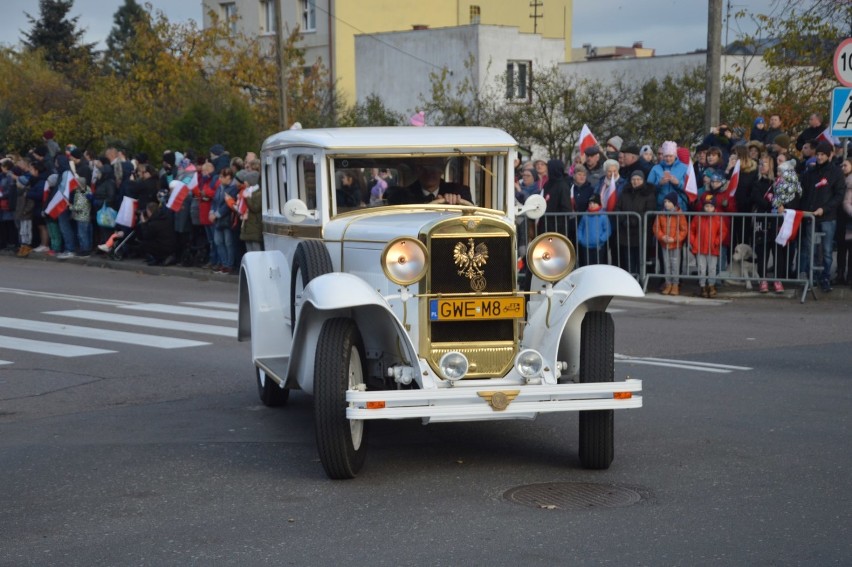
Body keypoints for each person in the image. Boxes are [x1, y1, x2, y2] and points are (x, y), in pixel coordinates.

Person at [799, 140, 846, 291]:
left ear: (830, 155)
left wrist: (824, 209)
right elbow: (804, 193)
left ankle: (825, 276)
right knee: (810, 248)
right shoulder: (810, 172)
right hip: (811, 216)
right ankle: (811, 277)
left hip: (828, 217)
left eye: (822, 155)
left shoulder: (836, 172)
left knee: (826, 250)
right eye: (818, 154)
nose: (819, 157)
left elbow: (839, 195)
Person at [749, 155, 785, 293]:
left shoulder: (777, 182)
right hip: (761, 221)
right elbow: (757, 198)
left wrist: (777, 206)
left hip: (775, 221)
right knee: (762, 251)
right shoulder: (756, 182)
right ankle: (762, 279)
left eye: (764, 163)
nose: (762, 165)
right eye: (760, 163)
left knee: (778, 252)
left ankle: (778, 280)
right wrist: (772, 205)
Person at [615, 169, 656, 275]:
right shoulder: (625, 192)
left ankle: (641, 281)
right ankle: (630, 281)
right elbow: (618, 208)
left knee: (640, 259)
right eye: (633, 179)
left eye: (638, 179)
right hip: (626, 232)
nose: (636, 181)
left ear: (643, 180)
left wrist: (635, 220)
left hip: (641, 232)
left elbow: (650, 211)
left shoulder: (648, 194)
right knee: (628, 260)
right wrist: (624, 220)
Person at [689, 193, 728, 298]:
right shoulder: (698, 217)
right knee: (701, 268)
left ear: (714, 207)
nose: (708, 208)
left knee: (712, 268)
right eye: (706, 206)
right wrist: (693, 242)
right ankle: (702, 286)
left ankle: (711, 285)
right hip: (700, 247)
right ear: (703, 207)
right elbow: (691, 230)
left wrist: (717, 241)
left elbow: (723, 232)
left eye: (711, 206)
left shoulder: (718, 218)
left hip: (712, 248)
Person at [654, 191, 688, 295]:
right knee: (666, 264)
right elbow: (656, 227)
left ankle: (675, 285)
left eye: (669, 201)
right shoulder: (661, 214)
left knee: (675, 265)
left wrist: (675, 239)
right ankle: (668, 283)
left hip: (676, 245)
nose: (666, 204)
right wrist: (662, 236)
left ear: (674, 203)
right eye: (665, 201)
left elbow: (684, 230)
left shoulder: (680, 214)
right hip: (664, 244)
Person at [210, 167, 239, 274]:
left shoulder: (233, 188)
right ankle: (224, 263)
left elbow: (228, 205)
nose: (220, 179)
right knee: (218, 242)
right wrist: (211, 212)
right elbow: (214, 201)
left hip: (227, 220)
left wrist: (216, 214)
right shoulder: (220, 187)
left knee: (228, 243)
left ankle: (229, 265)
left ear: (229, 177)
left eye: (222, 177)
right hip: (218, 220)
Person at [405, 158, 472, 204]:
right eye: (423, 168)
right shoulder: (404, 195)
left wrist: (453, 203)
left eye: (433, 168)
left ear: (441, 170)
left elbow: (470, 214)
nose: (429, 173)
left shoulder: (459, 191)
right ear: (417, 170)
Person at [648, 141, 688, 211]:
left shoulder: (684, 168)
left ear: (675, 155)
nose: (668, 159)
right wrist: (659, 184)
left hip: (679, 207)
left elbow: (690, 188)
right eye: (666, 156)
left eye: (670, 156)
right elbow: (648, 187)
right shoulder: (656, 168)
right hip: (661, 207)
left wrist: (678, 184)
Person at [577, 193, 611, 265]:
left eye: (594, 203)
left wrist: (601, 239)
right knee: (587, 264)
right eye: (590, 203)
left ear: (598, 204)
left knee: (598, 264)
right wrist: (580, 238)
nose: (592, 205)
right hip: (586, 245)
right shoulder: (585, 215)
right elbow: (580, 228)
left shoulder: (603, 215)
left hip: (598, 246)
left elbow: (607, 229)